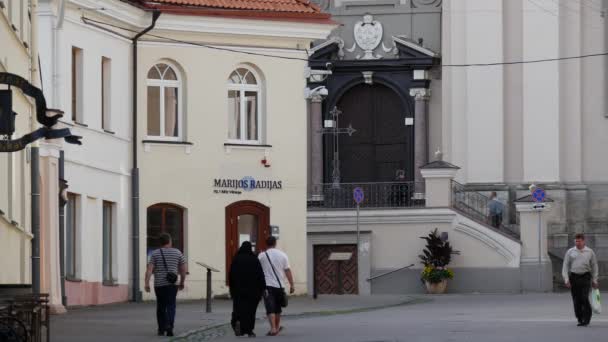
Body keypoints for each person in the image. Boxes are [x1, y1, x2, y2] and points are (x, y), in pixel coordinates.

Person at [144, 233, 187, 337]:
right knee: (171, 305)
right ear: (169, 241)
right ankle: (170, 327)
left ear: (160, 242)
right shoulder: (177, 252)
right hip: (172, 284)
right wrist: (182, 282)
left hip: (159, 284)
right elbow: (183, 269)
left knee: (161, 306)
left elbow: (149, 270)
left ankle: (161, 329)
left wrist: (146, 283)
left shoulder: (155, 253)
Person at [258, 236, 295, 336]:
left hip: (267, 286)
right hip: (280, 285)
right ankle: (277, 327)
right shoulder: (283, 255)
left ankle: (273, 328)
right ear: (275, 243)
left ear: (266, 244)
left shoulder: (261, 256)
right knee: (277, 308)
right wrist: (292, 284)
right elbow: (287, 270)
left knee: (270, 307)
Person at [229, 241, 266, 337]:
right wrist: (263, 288)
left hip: (238, 290)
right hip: (253, 291)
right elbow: (260, 275)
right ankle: (249, 330)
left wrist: (232, 289)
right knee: (250, 311)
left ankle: (237, 322)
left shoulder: (236, 259)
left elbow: (231, 275)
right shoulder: (254, 259)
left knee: (238, 308)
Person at [562, 233, 599, 327]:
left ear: (583, 241)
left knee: (584, 297)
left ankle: (587, 318)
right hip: (574, 277)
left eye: (579, 241)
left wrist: (595, 280)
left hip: (585, 277)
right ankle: (580, 318)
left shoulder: (589, 252)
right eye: (576, 241)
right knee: (576, 299)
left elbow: (594, 266)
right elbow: (565, 266)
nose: (577, 243)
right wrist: (566, 279)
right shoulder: (570, 252)